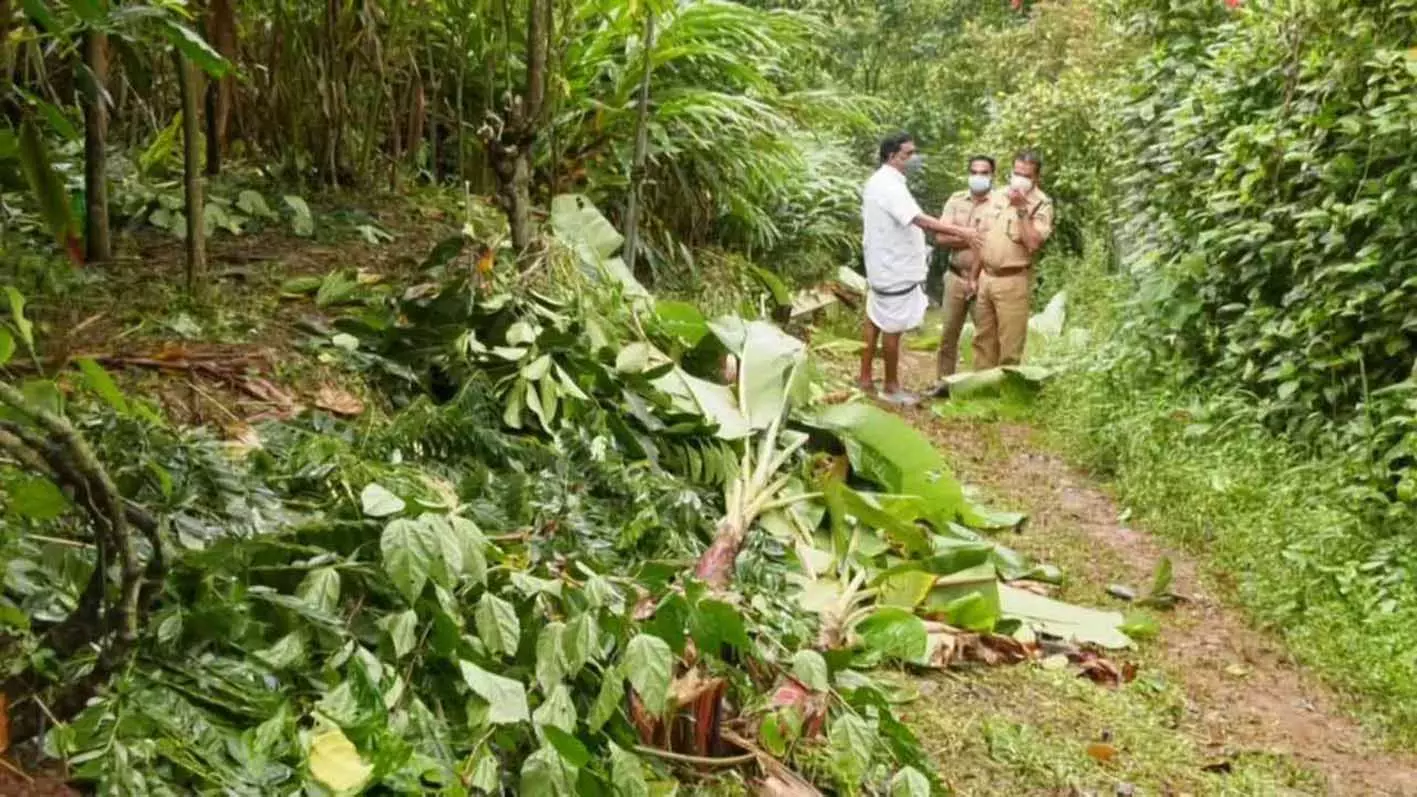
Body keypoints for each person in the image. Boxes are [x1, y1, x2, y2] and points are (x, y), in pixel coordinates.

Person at [857, 132, 981, 405]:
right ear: (892, 156)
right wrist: (962, 231)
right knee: (892, 325)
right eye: (908, 154)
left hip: (883, 264)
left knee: (875, 318)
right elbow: (918, 220)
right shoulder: (888, 186)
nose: (913, 159)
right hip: (893, 268)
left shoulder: (881, 182)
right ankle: (891, 386)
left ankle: (865, 377)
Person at [971, 150, 1054, 369]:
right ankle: (981, 393)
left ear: (1036, 178)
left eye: (1026, 175)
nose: (1019, 179)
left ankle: (1007, 395)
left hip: (1013, 281)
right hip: (986, 277)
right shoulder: (998, 195)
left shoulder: (1041, 204)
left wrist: (1021, 210)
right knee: (983, 341)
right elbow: (984, 237)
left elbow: (1033, 244)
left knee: (1010, 344)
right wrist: (974, 275)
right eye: (1016, 173)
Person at [933, 155, 996, 379]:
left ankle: (984, 384)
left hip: (985, 279)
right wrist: (971, 238)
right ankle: (942, 383)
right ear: (968, 174)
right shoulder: (956, 200)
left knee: (986, 336)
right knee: (948, 335)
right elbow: (941, 236)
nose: (978, 177)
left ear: (992, 175)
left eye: (984, 172)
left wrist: (959, 233)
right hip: (955, 276)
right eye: (974, 172)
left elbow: (992, 241)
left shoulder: (999, 203)